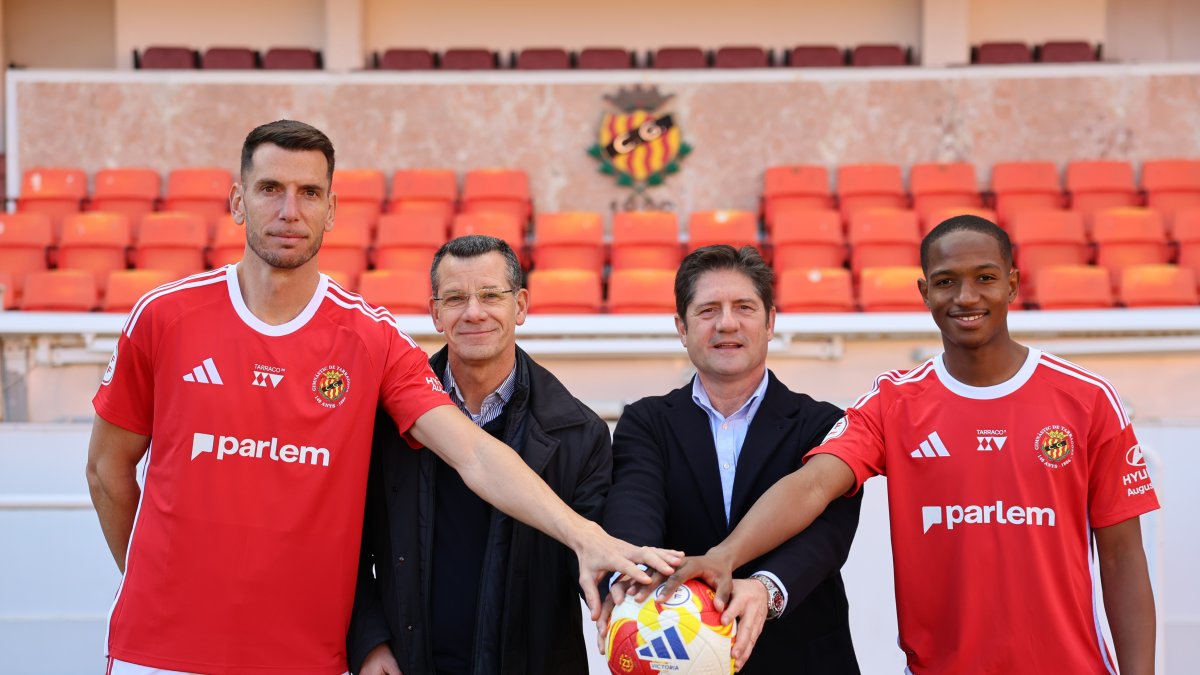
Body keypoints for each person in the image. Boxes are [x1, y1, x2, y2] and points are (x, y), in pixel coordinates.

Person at [85, 120, 678, 675]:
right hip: (160, 647)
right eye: (269, 189)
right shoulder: (165, 316)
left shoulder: (371, 338)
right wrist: (155, 579)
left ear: (332, 209)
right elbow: (108, 472)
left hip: (303, 655)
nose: (289, 210)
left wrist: (586, 537)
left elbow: (472, 453)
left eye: (309, 193)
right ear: (237, 200)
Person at [662, 216, 1160, 674]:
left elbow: (1121, 559)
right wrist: (725, 555)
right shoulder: (894, 400)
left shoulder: (1088, 400)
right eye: (946, 281)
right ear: (925, 292)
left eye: (985, 277)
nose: (966, 296)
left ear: (1013, 282)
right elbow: (813, 486)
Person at [347, 235, 612, 675]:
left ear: (520, 306)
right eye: (455, 298)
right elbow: (346, 546)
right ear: (435, 313)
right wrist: (370, 643)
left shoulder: (580, 433)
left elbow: (594, 559)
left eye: (491, 295)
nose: (474, 312)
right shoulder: (384, 421)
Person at [598, 245, 863, 673]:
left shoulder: (822, 422)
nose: (726, 323)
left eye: (744, 307)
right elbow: (634, 502)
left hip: (802, 657)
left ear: (771, 321)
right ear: (681, 327)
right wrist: (631, 580)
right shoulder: (645, 421)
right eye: (708, 310)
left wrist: (764, 589)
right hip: (678, 655)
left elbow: (828, 535)